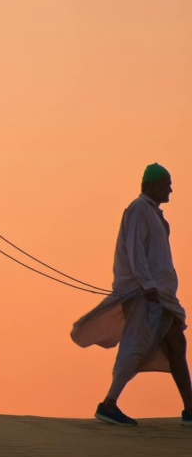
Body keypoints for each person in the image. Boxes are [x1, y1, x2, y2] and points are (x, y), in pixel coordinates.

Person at [71, 163, 191, 426]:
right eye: (167, 183)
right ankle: (109, 404)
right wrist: (146, 284)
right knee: (134, 348)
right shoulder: (139, 210)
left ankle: (190, 410)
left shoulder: (154, 214)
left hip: (161, 296)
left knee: (177, 345)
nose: (170, 189)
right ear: (152, 184)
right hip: (145, 295)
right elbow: (135, 249)